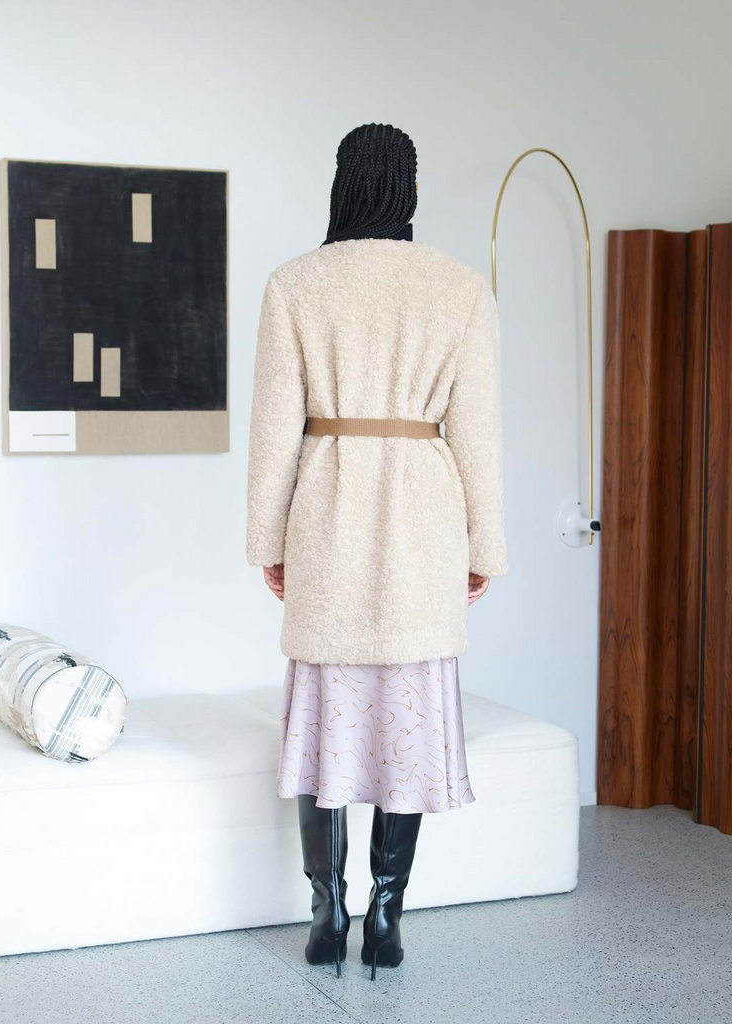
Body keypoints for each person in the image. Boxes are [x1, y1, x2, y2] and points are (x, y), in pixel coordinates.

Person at [246, 122, 509, 980]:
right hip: (425, 523)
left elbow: (273, 434)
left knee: (324, 721)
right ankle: (387, 917)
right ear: (411, 191)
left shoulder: (294, 285)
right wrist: (483, 545)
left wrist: (267, 540)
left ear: (341, 185)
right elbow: (479, 435)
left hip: (324, 516)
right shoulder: (458, 288)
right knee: (406, 723)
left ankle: (328, 914)